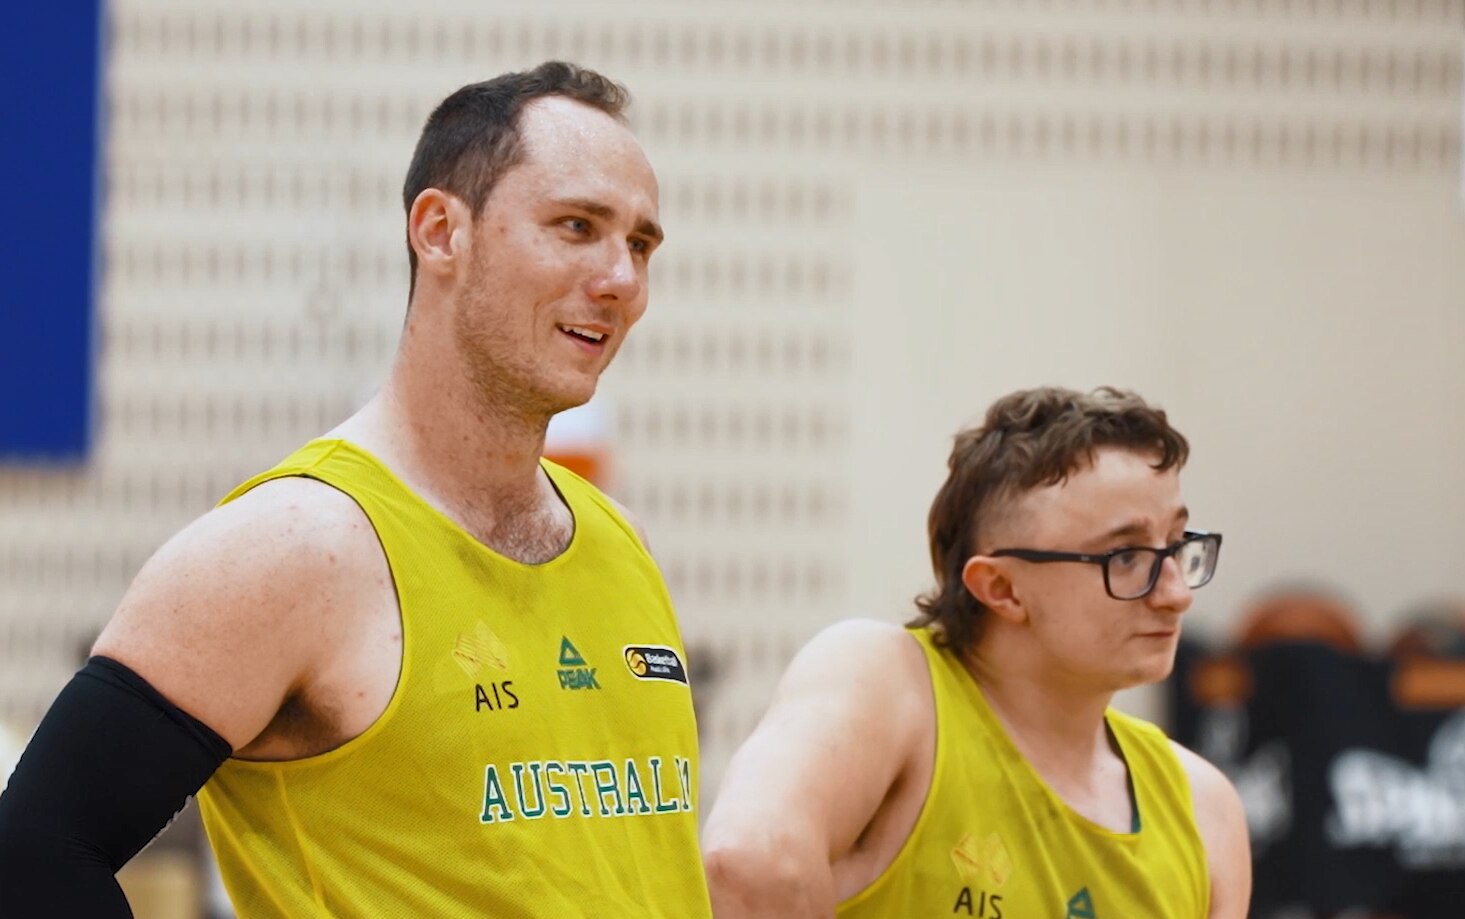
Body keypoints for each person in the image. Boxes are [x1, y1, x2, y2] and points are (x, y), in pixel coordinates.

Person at [0, 62, 713, 918]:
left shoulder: (617, 540)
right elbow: (34, 857)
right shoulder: (295, 545)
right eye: (576, 226)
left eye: (639, 244)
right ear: (441, 230)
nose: (622, 281)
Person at [702, 386, 1252, 918]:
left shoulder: (1204, 807)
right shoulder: (889, 682)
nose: (1176, 593)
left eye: (1177, 546)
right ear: (1001, 588)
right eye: (1127, 556)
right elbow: (748, 863)